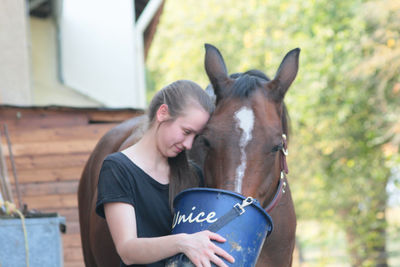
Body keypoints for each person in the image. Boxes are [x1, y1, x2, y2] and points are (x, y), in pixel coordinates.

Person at [95, 80, 235, 267]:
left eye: (195, 136)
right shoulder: (117, 168)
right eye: (186, 131)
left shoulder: (193, 175)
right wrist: (183, 242)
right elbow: (128, 250)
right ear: (162, 113)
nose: (189, 145)